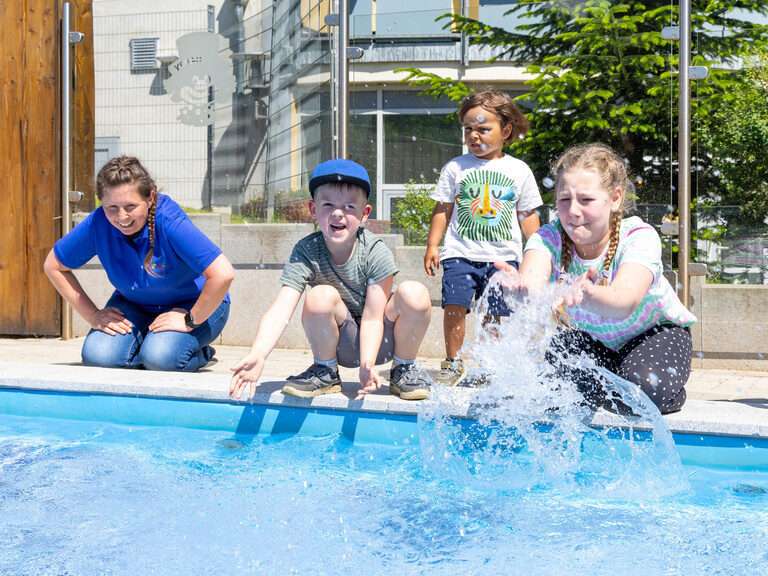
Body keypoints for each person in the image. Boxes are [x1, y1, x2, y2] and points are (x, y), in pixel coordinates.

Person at [496, 143, 696, 414]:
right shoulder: (548, 238)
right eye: (565, 200)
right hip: (594, 340)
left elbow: (624, 300)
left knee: (644, 393)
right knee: (553, 394)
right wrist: (520, 292)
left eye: (586, 200)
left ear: (614, 199)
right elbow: (531, 280)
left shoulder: (638, 236)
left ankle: (658, 388)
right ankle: (611, 382)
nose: (574, 211)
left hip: (654, 334)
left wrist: (589, 295)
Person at [229, 159, 433, 401]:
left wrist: (367, 365)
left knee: (414, 293)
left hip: (382, 340)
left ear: (364, 213)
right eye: (328, 205)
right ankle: (325, 370)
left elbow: (372, 317)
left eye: (349, 206)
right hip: (340, 344)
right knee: (319, 295)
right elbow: (281, 308)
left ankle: (404, 368)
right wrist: (259, 353)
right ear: (313, 210)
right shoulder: (307, 250)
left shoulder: (375, 251)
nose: (338, 212)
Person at [44, 156, 234, 372]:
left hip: (195, 304)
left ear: (150, 198)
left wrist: (191, 320)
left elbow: (223, 274)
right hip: (135, 305)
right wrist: (92, 315)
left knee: (161, 358)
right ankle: (149, 344)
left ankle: (199, 353)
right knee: (99, 356)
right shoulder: (99, 222)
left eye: (130, 206)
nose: (121, 216)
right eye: (112, 207)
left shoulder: (169, 220)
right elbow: (53, 265)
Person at [424, 89, 543, 385]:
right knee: (455, 307)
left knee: (493, 314)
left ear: (506, 130)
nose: (474, 135)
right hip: (460, 253)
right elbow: (443, 208)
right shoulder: (456, 168)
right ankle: (453, 363)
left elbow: (527, 214)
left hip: (502, 259)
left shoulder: (518, 170)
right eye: (468, 129)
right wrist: (432, 245)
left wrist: (540, 253)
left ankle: (489, 366)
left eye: (483, 128)